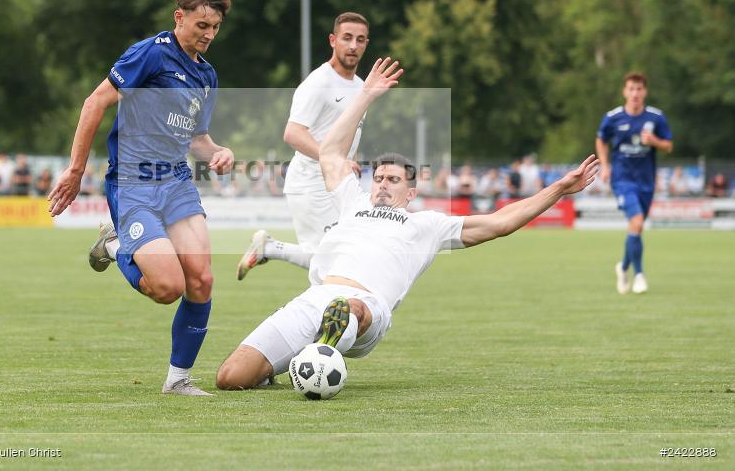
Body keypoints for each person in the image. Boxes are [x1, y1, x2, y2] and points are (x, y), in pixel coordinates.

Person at [215, 58, 600, 390]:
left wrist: (559, 189)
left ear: (410, 192)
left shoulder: (427, 225)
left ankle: (324, 348)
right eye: (379, 177)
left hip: (366, 306)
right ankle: (301, 359)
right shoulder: (352, 201)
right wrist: (364, 95)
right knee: (230, 378)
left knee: (348, 307)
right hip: (315, 297)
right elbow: (330, 151)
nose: (383, 184)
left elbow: (500, 222)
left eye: (393, 180)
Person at [49, 0, 234, 396]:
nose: (208, 35)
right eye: (201, 25)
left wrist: (219, 152)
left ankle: (179, 380)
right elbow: (95, 101)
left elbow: (197, 139)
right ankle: (115, 246)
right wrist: (76, 170)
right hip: (133, 182)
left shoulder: (208, 76)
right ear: (179, 17)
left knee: (201, 280)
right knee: (168, 288)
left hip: (177, 182)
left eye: (215, 28)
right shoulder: (150, 55)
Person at [236, 12, 370, 280]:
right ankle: (320, 314)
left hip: (336, 181)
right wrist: (334, 160)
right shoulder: (318, 83)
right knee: (331, 263)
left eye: (360, 39)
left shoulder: (361, 86)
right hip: (310, 182)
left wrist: (345, 164)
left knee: (349, 254)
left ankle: (270, 249)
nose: (353, 45)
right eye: (346, 38)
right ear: (333, 40)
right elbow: (293, 133)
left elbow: (347, 135)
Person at [596, 72, 673, 295]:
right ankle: (639, 275)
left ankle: (623, 266)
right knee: (637, 222)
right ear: (624, 91)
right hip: (622, 180)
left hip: (646, 182)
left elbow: (668, 146)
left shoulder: (657, 118)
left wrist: (655, 141)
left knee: (635, 228)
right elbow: (601, 139)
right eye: (631, 89)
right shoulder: (613, 118)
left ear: (645, 92)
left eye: (639, 89)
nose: (635, 93)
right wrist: (605, 165)